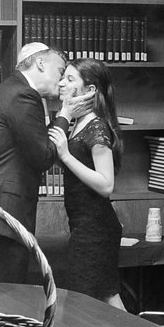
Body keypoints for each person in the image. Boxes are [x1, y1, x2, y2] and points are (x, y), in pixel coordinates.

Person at [0, 42, 88, 283]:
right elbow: (42, 156)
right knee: (4, 302)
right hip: (1, 218)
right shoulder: (23, 95)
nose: (61, 82)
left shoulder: (9, 89)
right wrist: (66, 114)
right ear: (40, 63)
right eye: (60, 72)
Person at [47, 58, 126, 308]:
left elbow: (106, 185)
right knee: (106, 296)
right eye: (63, 78)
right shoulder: (78, 124)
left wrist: (66, 157)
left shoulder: (96, 127)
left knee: (90, 301)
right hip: (84, 225)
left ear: (90, 90)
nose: (61, 83)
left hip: (96, 229)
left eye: (70, 80)